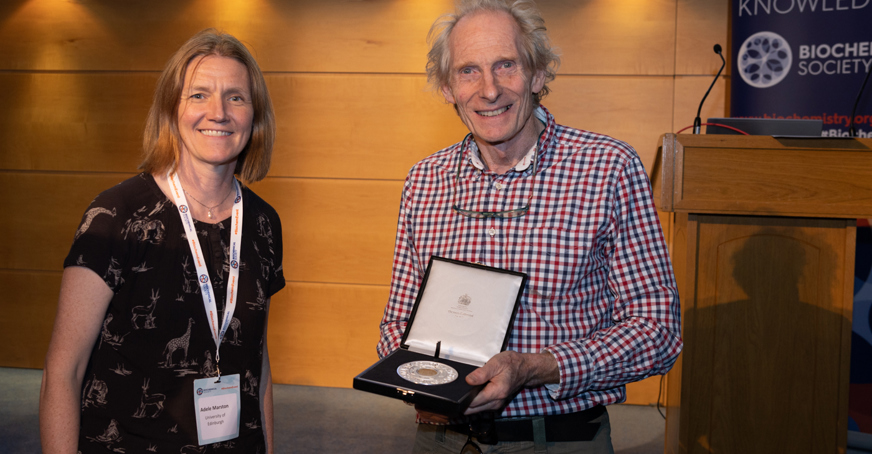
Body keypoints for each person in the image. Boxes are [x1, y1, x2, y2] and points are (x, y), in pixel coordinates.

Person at [376, 1, 683, 452]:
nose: (489, 89)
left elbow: (657, 329)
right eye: (468, 71)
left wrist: (537, 366)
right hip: (439, 438)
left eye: (506, 65)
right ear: (447, 88)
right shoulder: (425, 179)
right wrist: (421, 378)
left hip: (556, 438)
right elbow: (397, 323)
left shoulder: (608, 169)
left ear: (538, 75)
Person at [39, 29, 284, 454]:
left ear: (255, 116)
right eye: (198, 95)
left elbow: (255, 363)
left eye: (236, 97)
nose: (219, 112)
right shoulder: (114, 216)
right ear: (171, 110)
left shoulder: (263, 222)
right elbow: (64, 372)